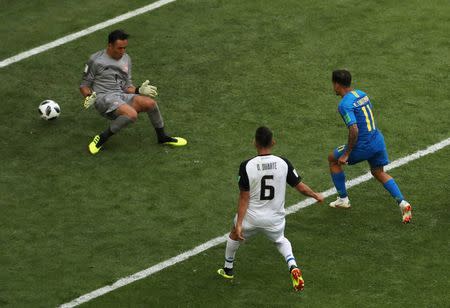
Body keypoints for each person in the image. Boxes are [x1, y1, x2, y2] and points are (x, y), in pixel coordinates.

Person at [217, 126, 324, 291]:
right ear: (273, 142)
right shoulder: (283, 163)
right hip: (274, 220)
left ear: (255, 143)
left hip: (251, 218)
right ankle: (292, 265)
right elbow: (301, 187)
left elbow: (244, 197)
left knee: (233, 233)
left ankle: (228, 269)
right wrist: (315, 195)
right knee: (280, 240)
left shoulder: (246, 166)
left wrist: (239, 225)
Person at [79, 29, 187, 154]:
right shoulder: (95, 60)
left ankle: (162, 137)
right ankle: (101, 139)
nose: (123, 51)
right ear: (109, 45)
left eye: (125, 48)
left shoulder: (126, 59)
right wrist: (88, 96)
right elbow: (84, 85)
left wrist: (139, 89)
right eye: (119, 48)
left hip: (120, 96)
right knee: (131, 114)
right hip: (104, 98)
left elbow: (126, 86)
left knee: (150, 104)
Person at [328, 69, 412, 223]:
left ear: (337, 84)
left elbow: (354, 129)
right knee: (378, 172)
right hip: (377, 140)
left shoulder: (344, 105)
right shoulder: (361, 93)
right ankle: (402, 202)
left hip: (363, 145)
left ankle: (343, 199)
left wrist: (347, 153)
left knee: (333, 159)